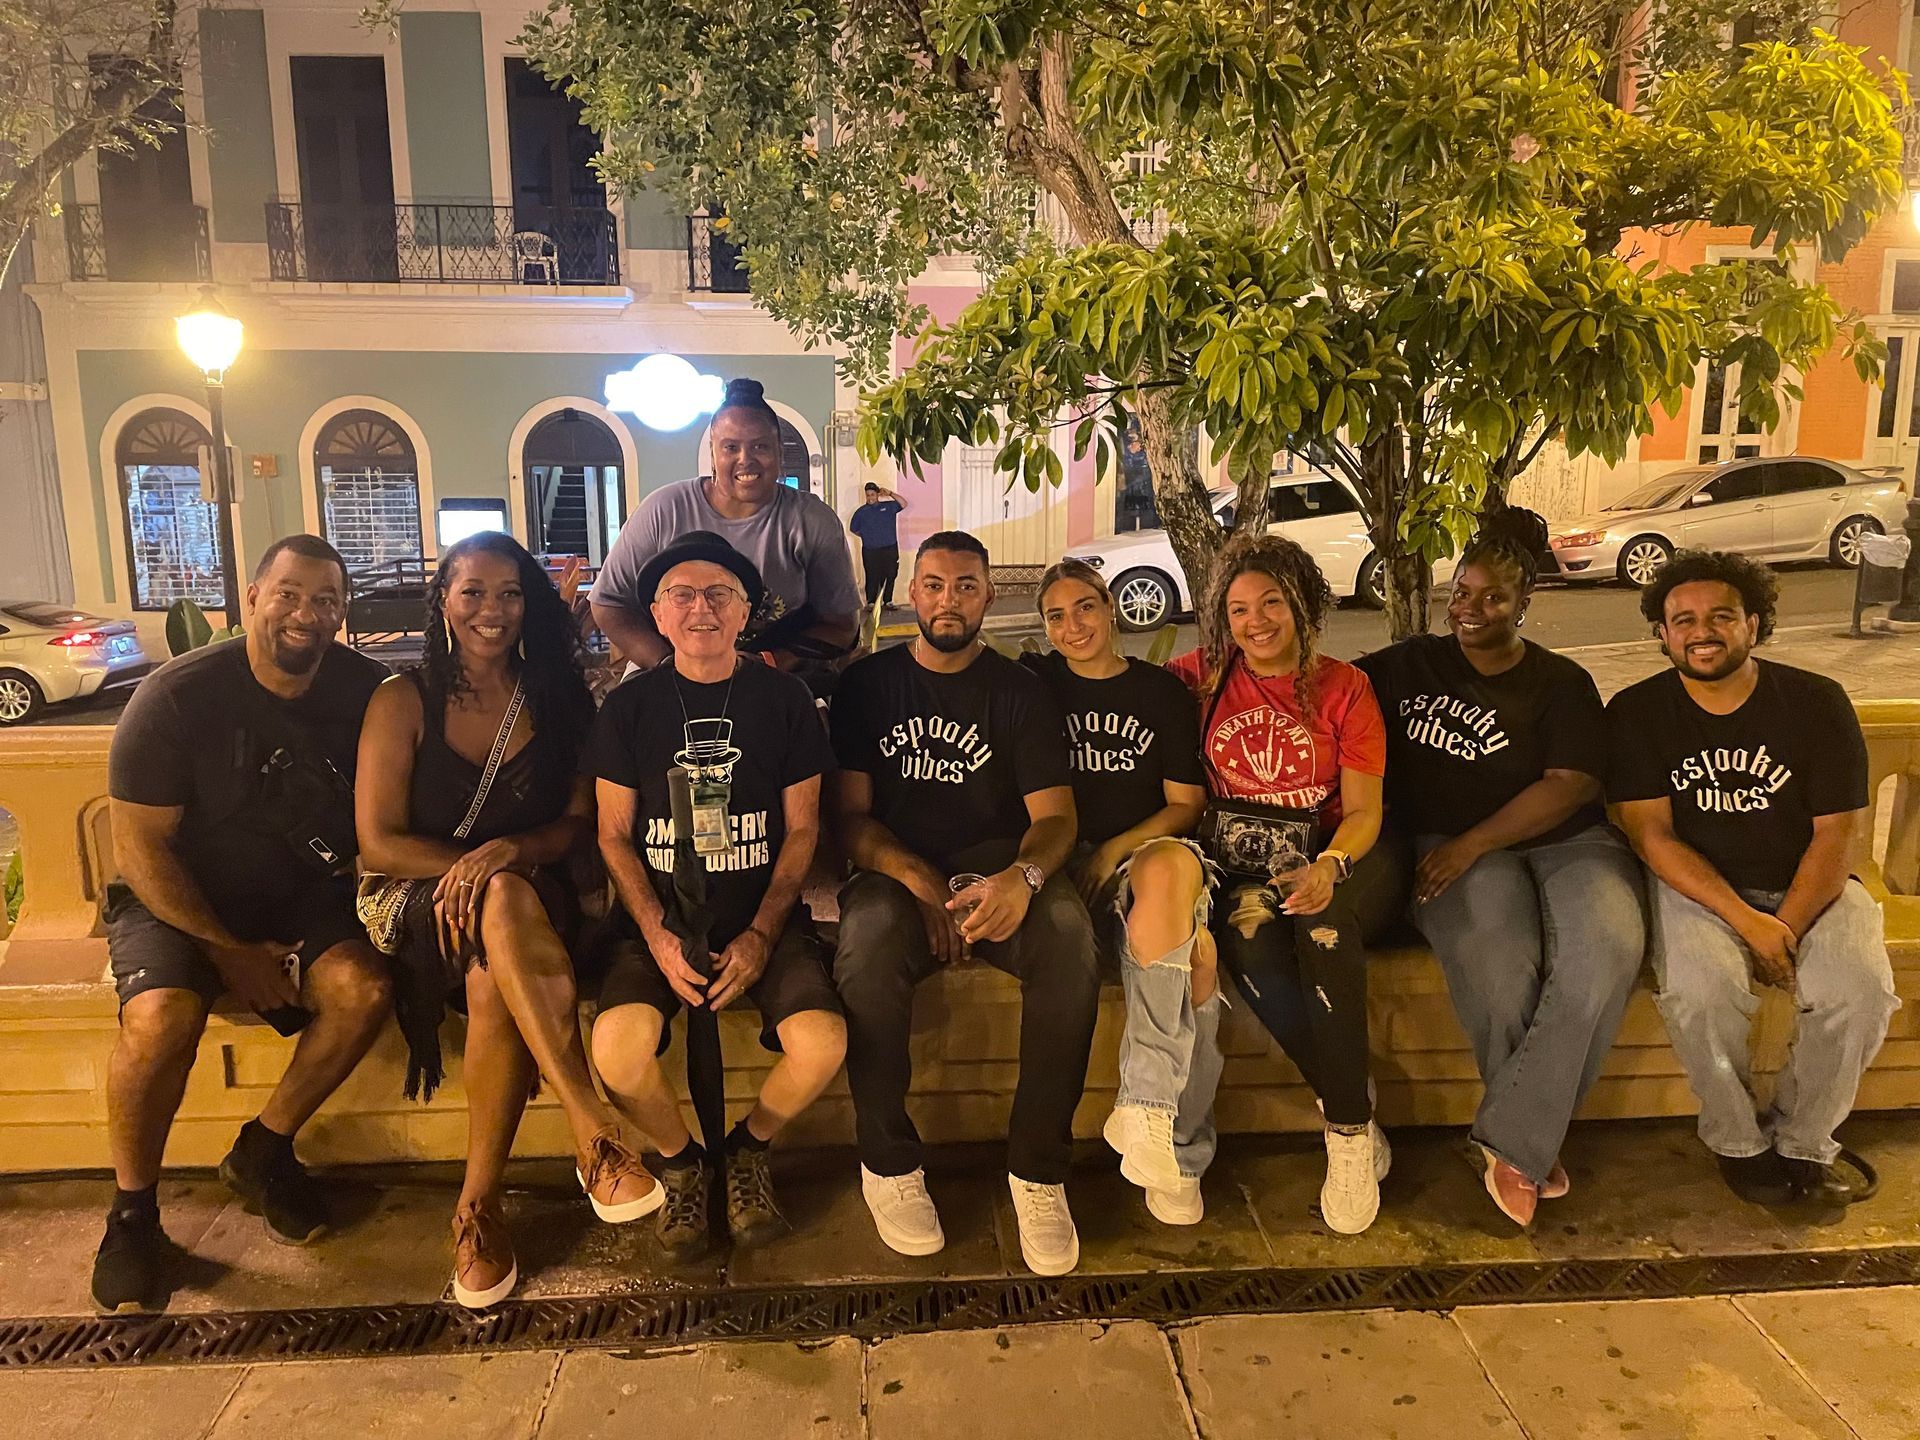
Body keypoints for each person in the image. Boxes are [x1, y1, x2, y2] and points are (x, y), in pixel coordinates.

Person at [356, 532, 660, 1310]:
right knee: (494, 928)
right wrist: (467, 865)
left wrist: (506, 851)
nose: (492, 610)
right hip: (413, 896)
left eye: (510, 594)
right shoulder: (402, 698)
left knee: (501, 933)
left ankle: (478, 1210)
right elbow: (378, 842)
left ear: (530, 606)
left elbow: (573, 825)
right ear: (444, 603)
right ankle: (590, 1125)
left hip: (530, 888)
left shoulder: (557, 698)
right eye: (473, 593)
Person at [94, 536, 394, 1314]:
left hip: (300, 896)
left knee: (362, 992)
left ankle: (264, 1150)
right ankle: (132, 1213)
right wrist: (228, 953)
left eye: (326, 600)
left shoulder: (367, 691)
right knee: (160, 1020)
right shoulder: (177, 697)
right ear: (253, 597)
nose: (306, 613)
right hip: (177, 899)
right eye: (289, 594)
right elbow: (140, 847)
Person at [1357, 508, 1645, 1227]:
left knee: (1604, 949)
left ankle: (1511, 1139)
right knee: (1499, 958)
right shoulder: (1410, 664)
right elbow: (1323, 686)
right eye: (1462, 592)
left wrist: (1472, 842)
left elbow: (1570, 783)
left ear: (1525, 602)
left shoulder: (1560, 682)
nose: (1471, 609)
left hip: (1565, 844)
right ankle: (1530, 1141)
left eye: (1492, 597)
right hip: (1449, 849)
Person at [830, 531, 1100, 1275]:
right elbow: (850, 819)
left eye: (967, 586)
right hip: (896, 875)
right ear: (912, 593)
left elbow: (1055, 820)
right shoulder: (868, 685)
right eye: (936, 585)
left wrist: (1023, 879)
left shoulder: (1020, 692)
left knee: (1072, 945)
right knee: (868, 948)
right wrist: (920, 884)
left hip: (998, 876)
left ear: (990, 596)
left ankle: (1038, 1172)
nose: (949, 600)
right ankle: (888, 1165)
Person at [1607, 549, 1896, 1206]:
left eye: (1721, 616)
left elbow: (1838, 835)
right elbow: (1652, 833)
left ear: (1755, 624)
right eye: (1682, 619)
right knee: (1701, 993)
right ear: (1662, 633)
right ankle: (1737, 1140)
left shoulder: (1817, 703)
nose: (1701, 631)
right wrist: (1747, 923)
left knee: (1858, 994)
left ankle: (1806, 1140)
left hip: (1811, 885)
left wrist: (1785, 925)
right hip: (1700, 890)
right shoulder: (1638, 712)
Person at [587, 533, 847, 1261]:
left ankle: (746, 1149)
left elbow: (802, 831)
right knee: (618, 1051)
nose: (700, 608)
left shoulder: (785, 701)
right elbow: (613, 835)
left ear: (744, 615)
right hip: (658, 922)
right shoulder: (630, 708)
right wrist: (657, 932)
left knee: (822, 1043)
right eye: (681, 595)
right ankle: (684, 1164)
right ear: (659, 616)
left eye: (719, 595)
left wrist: (764, 932)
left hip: (761, 916)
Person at [1167, 534, 1400, 1236]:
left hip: (1338, 856)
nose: (1256, 621)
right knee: (1251, 950)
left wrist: (1330, 867)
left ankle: (1350, 1138)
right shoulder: (1202, 676)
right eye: (1238, 608)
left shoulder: (1345, 688)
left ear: (1303, 602)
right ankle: (1348, 1100)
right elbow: (1110, 679)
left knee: (1322, 931)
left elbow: (1363, 813)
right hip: (1243, 868)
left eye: (1271, 602)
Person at [1023, 560, 1217, 1225]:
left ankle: (1148, 1112)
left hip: (1137, 864)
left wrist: (1111, 849)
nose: (1072, 625)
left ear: (1111, 608)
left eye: (1084, 607)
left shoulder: (1159, 694)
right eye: (1055, 615)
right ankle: (1170, 1142)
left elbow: (1186, 804)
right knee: (1200, 961)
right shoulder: (1035, 687)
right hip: (1057, 870)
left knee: (1165, 869)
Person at [590, 377, 860, 678]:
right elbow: (608, 604)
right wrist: (671, 668)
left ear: (779, 453)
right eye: (731, 447)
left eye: (760, 446)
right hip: (667, 674)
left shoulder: (811, 521)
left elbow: (842, 626)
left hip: (772, 679)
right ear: (713, 453)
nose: (746, 459)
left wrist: (768, 664)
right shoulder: (663, 511)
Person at [850, 482, 907, 609]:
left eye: (872, 494)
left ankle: (888, 601)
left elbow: (904, 504)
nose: (870, 498)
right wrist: (868, 536)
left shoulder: (888, 506)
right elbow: (853, 529)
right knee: (871, 575)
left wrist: (890, 493)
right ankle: (871, 602)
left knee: (890, 574)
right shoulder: (861, 512)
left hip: (890, 547)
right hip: (871, 550)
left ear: (877, 495)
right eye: (868, 495)